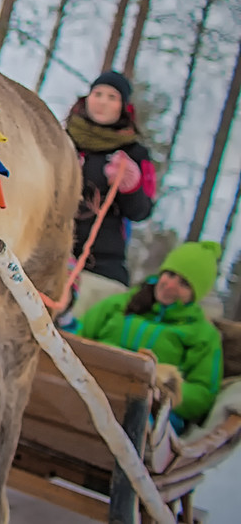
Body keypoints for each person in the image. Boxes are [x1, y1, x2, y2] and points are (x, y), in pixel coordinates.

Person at [77, 241, 225, 427]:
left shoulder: (202, 334)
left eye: (184, 284)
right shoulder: (120, 304)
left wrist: (167, 392)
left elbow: (203, 392)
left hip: (149, 410)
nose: (170, 285)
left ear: (195, 295)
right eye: (170, 274)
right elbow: (79, 335)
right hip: (93, 384)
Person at [66, 70, 157, 285]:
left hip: (101, 264)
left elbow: (141, 212)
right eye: (97, 94)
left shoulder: (134, 153)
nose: (102, 102)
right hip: (49, 248)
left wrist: (132, 187)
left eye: (112, 97)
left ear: (123, 107)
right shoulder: (63, 139)